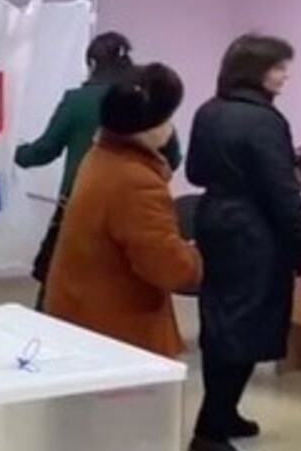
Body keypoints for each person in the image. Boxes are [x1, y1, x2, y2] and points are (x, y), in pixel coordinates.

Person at [185, 34, 301, 451]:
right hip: (253, 232)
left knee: (223, 320)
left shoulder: (210, 110)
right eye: (280, 67)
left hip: (217, 222)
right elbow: (281, 192)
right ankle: (209, 436)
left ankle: (224, 415)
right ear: (257, 70)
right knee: (243, 328)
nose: (286, 75)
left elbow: (197, 170)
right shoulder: (264, 121)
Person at [15, 32, 183, 308]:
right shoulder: (147, 100)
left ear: (92, 63)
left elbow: (45, 150)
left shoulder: (78, 100)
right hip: (135, 203)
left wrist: (12, 152)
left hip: (79, 200)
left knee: (60, 282)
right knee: (126, 283)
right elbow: (173, 157)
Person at [45, 63, 201, 358]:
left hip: (83, 317)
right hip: (119, 336)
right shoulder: (137, 182)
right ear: (153, 127)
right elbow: (168, 268)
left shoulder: (100, 156)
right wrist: (198, 256)